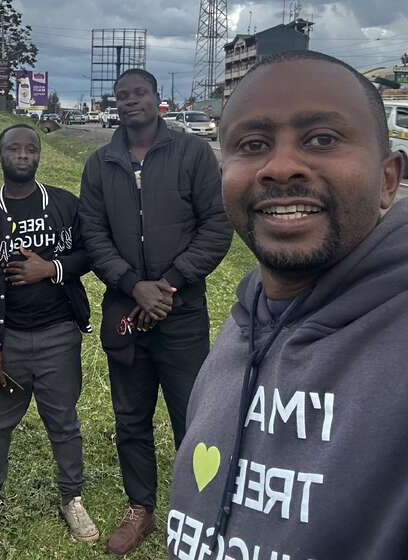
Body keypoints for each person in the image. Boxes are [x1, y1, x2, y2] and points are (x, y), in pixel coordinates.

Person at [167, 51, 406, 559]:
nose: (280, 168)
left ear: (388, 180)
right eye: (253, 145)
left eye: (322, 139)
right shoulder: (245, 323)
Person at [78, 69, 232, 556]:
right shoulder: (101, 163)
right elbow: (93, 235)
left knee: (193, 417)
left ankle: (201, 513)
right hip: (125, 312)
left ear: (157, 99)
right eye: (122, 95)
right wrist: (132, 284)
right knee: (131, 416)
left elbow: (218, 224)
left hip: (181, 312)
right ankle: (140, 507)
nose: (129, 101)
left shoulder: (191, 153)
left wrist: (168, 283)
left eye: (138, 93)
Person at [0, 124, 98, 543]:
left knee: (63, 422)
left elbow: (91, 250)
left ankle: (71, 498)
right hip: (9, 339)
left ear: (39, 155)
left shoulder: (62, 203)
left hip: (59, 333)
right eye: (13, 148)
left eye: (30, 148)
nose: (22, 154)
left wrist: (51, 268)